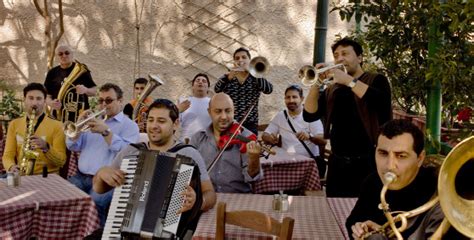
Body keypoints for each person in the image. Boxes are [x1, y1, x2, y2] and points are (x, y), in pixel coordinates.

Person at [93, 99, 216, 226]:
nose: (154, 126)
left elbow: (211, 195)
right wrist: (102, 173)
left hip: (167, 229)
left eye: (161, 121)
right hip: (124, 227)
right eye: (151, 120)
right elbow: (99, 189)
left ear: (175, 124)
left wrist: (198, 201)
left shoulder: (188, 153)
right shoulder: (131, 151)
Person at [303, 38, 392, 197]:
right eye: (336, 55)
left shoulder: (377, 80)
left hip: (368, 163)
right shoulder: (333, 89)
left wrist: (349, 82)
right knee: (335, 211)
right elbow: (309, 115)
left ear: (359, 58)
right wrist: (316, 83)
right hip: (338, 163)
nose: (339, 59)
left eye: (345, 54)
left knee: (365, 213)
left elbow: (381, 102)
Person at [346, 119, 438, 239]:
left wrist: (384, 236)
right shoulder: (373, 182)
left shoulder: (437, 192)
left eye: (401, 156)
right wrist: (359, 229)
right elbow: (353, 221)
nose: (389, 166)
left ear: (420, 159)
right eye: (383, 153)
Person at [66, 83, 139, 226]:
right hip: (81, 177)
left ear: (120, 101)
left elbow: (129, 153)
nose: (103, 104)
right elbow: (72, 146)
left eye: (108, 100)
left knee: (94, 208)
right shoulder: (93, 121)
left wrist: (106, 132)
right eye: (100, 101)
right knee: (65, 201)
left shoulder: (130, 126)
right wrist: (79, 127)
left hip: (106, 182)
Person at [190, 93, 263, 193]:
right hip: (206, 197)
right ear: (209, 112)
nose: (224, 117)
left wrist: (254, 159)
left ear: (234, 111)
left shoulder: (246, 137)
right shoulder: (198, 138)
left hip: (238, 198)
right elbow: (188, 172)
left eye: (228, 111)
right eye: (218, 111)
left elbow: (252, 178)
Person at [3, 83, 66, 175]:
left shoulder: (57, 125)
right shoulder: (14, 124)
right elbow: (8, 155)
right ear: (24, 99)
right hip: (21, 175)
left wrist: (46, 148)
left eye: (39, 99)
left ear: (44, 101)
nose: (34, 103)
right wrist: (11, 166)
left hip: (48, 177)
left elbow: (61, 161)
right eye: (31, 98)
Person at [214, 47, 273, 134]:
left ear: (250, 60)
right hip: (230, 123)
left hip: (251, 124)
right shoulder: (228, 77)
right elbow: (217, 89)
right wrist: (228, 78)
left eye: (244, 57)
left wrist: (254, 73)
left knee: (249, 147)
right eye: (237, 58)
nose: (240, 60)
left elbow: (269, 90)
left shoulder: (256, 78)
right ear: (234, 62)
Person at [262, 84, 325, 158]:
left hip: (308, 160)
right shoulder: (280, 115)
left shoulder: (311, 115)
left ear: (301, 99)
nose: (291, 100)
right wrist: (270, 138)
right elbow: (265, 134)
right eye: (288, 97)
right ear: (284, 99)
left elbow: (323, 140)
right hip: (286, 158)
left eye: (294, 97)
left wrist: (309, 137)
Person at [44, 45, 97, 123]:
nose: (64, 56)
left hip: (81, 118)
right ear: (56, 57)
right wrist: (51, 103)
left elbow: (94, 91)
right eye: (60, 54)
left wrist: (85, 90)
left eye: (67, 53)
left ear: (72, 54)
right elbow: (46, 96)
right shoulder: (52, 73)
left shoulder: (83, 71)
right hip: (59, 118)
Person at [177, 73, 212, 143]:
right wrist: (177, 110)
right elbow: (172, 122)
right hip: (184, 143)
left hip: (205, 144)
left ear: (208, 88)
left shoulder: (213, 103)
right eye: (197, 80)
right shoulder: (183, 101)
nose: (200, 82)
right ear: (192, 86)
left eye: (204, 81)